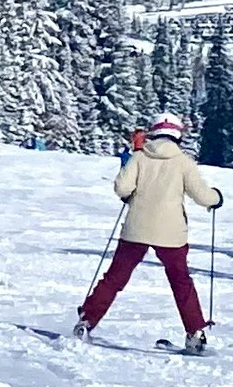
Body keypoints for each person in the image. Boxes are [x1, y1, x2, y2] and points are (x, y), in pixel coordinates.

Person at [77, 115, 222, 353]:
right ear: (178, 136)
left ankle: (87, 320)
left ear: (152, 133)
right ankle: (195, 333)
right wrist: (217, 198)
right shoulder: (183, 162)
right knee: (181, 282)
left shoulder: (139, 157)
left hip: (136, 229)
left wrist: (131, 196)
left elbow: (122, 188)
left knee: (114, 278)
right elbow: (203, 197)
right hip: (171, 233)